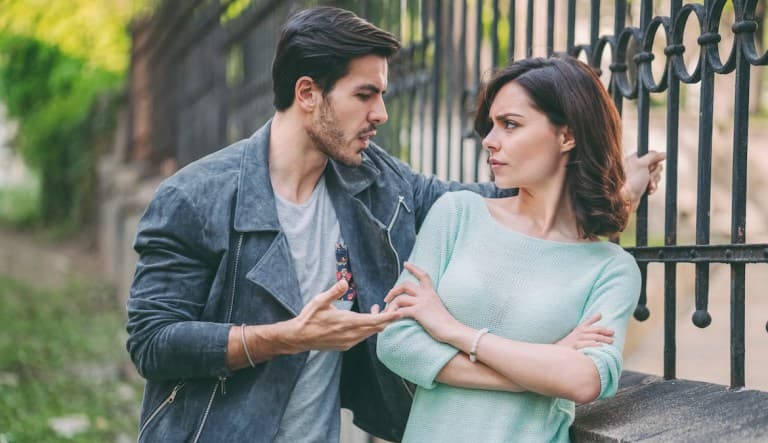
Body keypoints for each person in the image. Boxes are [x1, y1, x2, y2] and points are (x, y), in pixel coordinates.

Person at [125, 7, 663, 443]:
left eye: (382, 93)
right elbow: (152, 342)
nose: (381, 112)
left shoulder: (375, 181)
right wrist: (286, 338)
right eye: (365, 94)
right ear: (308, 93)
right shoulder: (196, 196)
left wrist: (611, 191)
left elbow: (501, 201)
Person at [376, 56, 643, 443]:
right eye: (492, 125)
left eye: (510, 125)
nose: (489, 140)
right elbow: (396, 342)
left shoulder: (610, 269)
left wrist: (454, 332)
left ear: (567, 136)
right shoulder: (457, 214)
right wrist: (537, 370)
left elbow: (585, 380)